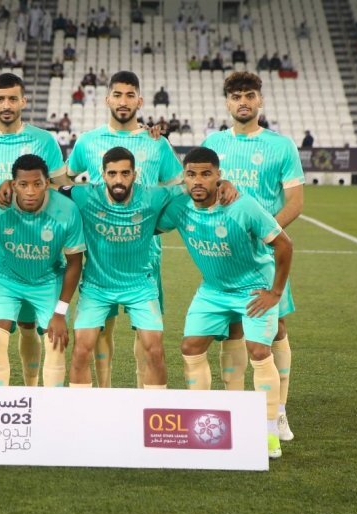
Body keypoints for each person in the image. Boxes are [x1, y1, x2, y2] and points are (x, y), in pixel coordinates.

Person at [156, 147, 293, 459]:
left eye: (206, 174)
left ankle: (269, 432)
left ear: (219, 176)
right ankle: (203, 419)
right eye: (191, 174)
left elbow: (284, 244)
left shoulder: (242, 205)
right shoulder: (180, 207)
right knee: (191, 347)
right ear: (184, 177)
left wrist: (275, 292)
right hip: (213, 290)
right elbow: (148, 223)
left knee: (259, 351)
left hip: (253, 288)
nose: (198, 180)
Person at [60, 71, 182, 387]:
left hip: (145, 253)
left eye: (130, 95)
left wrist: (154, 225)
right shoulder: (88, 141)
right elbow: (64, 181)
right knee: (101, 330)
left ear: (139, 101)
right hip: (100, 252)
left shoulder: (157, 143)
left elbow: (179, 191)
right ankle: (104, 394)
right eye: (118, 95)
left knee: (146, 337)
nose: (123, 101)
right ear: (107, 99)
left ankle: (144, 401)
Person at [202, 72, 305, 441]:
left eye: (249, 95)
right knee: (233, 326)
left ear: (260, 100)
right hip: (223, 254)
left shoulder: (281, 146)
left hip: (264, 255)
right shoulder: (213, 143)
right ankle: (236, 410)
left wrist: (267, 234)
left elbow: (295, 202)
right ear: (227, 102)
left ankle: (278, 411)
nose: (242, 102)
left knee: (275, 328)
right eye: (235, 96)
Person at [0, 73, 65, 387]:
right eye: (0, 99)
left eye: (12, 99)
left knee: (28, 326)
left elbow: (60, 187)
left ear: (23, 100)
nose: (6, 105)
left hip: (32, 250)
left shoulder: (43, 141)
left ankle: (31, 390)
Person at [0, 154, 85, 386]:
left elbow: (75, 263)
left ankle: (45, 401)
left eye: (37, 184)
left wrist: (60, 312)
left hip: (47, 281)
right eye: (23, 184)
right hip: (6, 280)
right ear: (13, 184)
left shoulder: (66, 211)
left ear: (47, 183)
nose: (31, 191)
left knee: (55, 343)